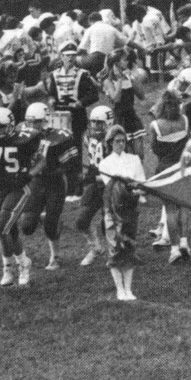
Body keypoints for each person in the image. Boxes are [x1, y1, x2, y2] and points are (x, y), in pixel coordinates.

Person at [0, 108, 42, 286]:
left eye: (2, 127)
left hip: (18, 188)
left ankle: (21, 265)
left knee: (0, 228)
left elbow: (42, 160)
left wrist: (30, 174)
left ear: (11, 126)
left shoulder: (24, 140)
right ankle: (12, 267)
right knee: (9, 231)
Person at [19, 103, 78, 270]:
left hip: (54, 183)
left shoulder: (60, 137)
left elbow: (71, 165)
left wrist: (53, 169)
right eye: (29, 121)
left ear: (45, 121)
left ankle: (55, 257)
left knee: (51, 227)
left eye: (35, 122)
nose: (31, 126)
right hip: (35, 182)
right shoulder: (23, 135)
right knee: (27, 227)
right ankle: (44, 217)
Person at [47, 41, 100, 198]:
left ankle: (76, 189)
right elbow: (51, 94)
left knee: (75, 152)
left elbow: (94, 95)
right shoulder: (54, 74)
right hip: (60, 117)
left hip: (76, 117)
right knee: (60, 151)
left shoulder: (83, 74)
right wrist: (51, 101)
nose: (70, 58)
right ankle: (63, 187)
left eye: (73, 55)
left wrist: (80, 103)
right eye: (67, 55)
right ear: (61, 56)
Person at [99, 125, 146, 300]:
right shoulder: (105, 163)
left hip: (130, 209)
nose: (120, 144)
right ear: (110, 143)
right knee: (114, 248)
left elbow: (141, 183)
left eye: (123, 141)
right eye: (117, 141)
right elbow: (112, 188)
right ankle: (119, 289)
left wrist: (137, 189)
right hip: (112, 210)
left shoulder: (134, 159)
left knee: (129, 246)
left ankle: (129, 288)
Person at [147, 90, 191, 263]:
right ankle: (184, 242)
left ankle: (174, 249)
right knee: (183, 207)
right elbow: (189, 142)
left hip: (165, 169)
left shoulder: (155, 126)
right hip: (182, 168)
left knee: (170, 211)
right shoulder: (184, 121)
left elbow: (155, 149)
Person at [76, 106, 115, 266]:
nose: (96, 126)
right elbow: (91, 161)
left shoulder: (114, 140)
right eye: (93, 122)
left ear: (108, 122)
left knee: (109, 224)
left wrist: (93, 177)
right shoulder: (88, 137)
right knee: (82, 221)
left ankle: (115, 251)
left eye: (99, 122)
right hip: (96, 182)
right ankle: (96, 248)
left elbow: (116, 170)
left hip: (111, 185)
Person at [100, 49, 146, 156]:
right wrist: (120, 81)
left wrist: (133, 78)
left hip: (132, 117)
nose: (127, 62)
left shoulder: (129, 76)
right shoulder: (108, 81)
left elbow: (141, 96)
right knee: (124, 154)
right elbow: (116, 99)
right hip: (119, 119)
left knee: (139, 153)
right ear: (116, 63)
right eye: (124, 60)